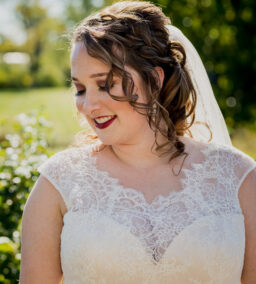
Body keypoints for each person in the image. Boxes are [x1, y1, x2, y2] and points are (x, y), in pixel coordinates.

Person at [19, 1, 256, 283]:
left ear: (154, 80)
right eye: (80, 89)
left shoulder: (238, 177)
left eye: (106, 84)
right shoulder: (58, 182)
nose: (89, 105)